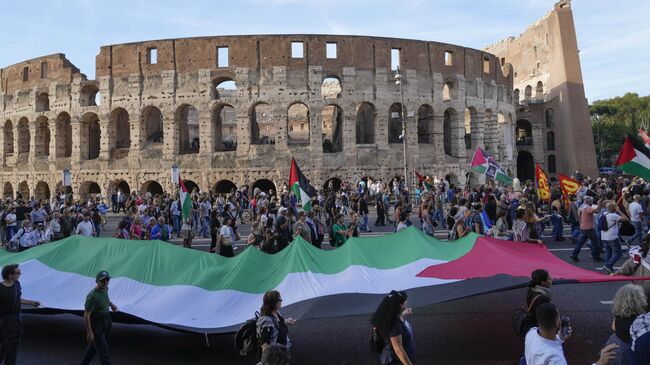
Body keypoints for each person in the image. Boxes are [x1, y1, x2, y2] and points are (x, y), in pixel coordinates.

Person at [0, 264, 40, 365]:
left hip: (16, 320)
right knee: (7, 346)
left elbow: (17, 299)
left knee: (14, 346)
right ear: (10, 275)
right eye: (18, 273)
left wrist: (31, 302)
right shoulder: (0, 288)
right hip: (5, 321)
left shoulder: (17, 284)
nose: (20, 274)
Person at [80, 270, 118, 365]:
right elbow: (86, 315)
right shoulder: (92, 296)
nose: (105, 282)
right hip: (97, 323)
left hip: (106, 319)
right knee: (104, 352)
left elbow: (106, 298)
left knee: (94, 346)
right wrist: (89, 332)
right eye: (102, 280)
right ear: (97, 281)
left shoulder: (105, 288)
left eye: (107, 279)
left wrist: (111, 305)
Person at [604, 284, 647, 363]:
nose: (645, 298)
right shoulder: (640, 320)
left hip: (614, 345)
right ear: (635, 300)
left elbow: (613, 327)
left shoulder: (619, 314)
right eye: (642, 296)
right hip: (627, 353)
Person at [370, 290, 415, 365]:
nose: (407, 304)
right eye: (405, 303)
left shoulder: (389, 317)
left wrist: (402, 313)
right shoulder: (395, 325)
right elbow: (398, 350)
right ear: (401, 305)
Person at [257, 291, 295, 356]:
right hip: (275, 359)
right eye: (279, 299)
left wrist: (287, 321)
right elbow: (264, 345)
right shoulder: (266, 322)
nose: (281, 300)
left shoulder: (276, 313)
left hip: (283, 355)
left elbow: (277, 324)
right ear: (273, 303)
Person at [570, 196, 603, 262]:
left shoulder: (582, 206)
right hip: (589, 228)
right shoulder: (587, 208)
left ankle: (574, 254)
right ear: (588, 201)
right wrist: (600, 204)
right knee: (595, 242)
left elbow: (595, 211)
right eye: (591, 201)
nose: (592, 202)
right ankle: (596, 256)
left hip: (583, 226)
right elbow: (596, 210)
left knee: (580, 242)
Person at [600, 201, 629, 274]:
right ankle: (608, 265)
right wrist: (619, 211)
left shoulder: (604, 214)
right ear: (614, 208)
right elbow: (626, 219)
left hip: (604, 236)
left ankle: (609, 268)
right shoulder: (613, 215)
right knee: (618, 253)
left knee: (608, 252)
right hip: (612, 237)